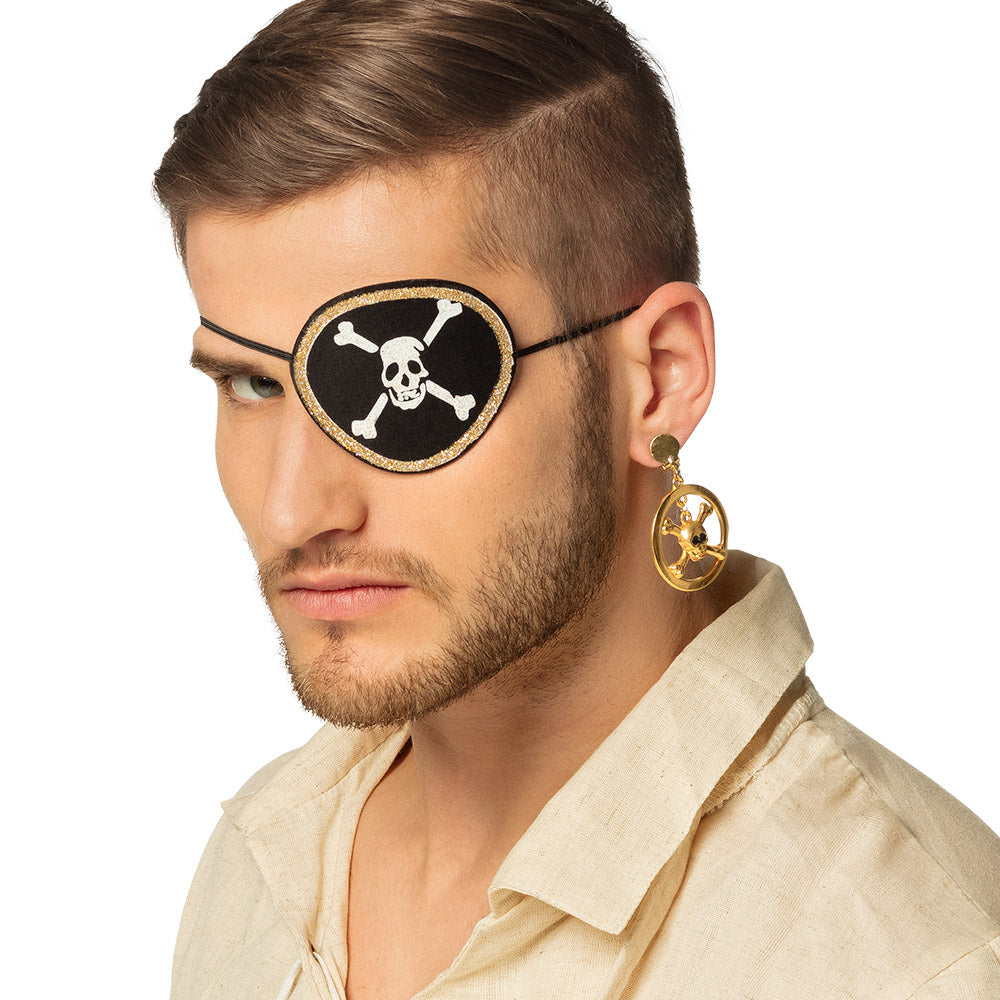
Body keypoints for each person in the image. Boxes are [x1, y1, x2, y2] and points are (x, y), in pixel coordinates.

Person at [154, 1, 1000, 997]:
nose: (294, 512)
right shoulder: (263, 860)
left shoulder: (908, 965)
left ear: (660, 377)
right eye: (252, 385)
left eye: (398, 390)